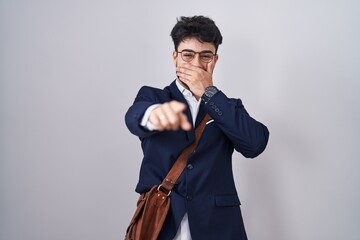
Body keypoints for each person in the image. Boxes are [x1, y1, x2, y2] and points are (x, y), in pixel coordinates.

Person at [125, 15, 269, 240]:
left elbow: (255, 144)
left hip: (218, 226)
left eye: (205, 56)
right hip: (161, 223)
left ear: (215, 59)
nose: (195, 64)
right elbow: (135, 117)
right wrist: (155, 116)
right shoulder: (154, 97)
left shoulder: (228, 107)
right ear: (175, 57)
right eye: (188, 55)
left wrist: (209, 93)